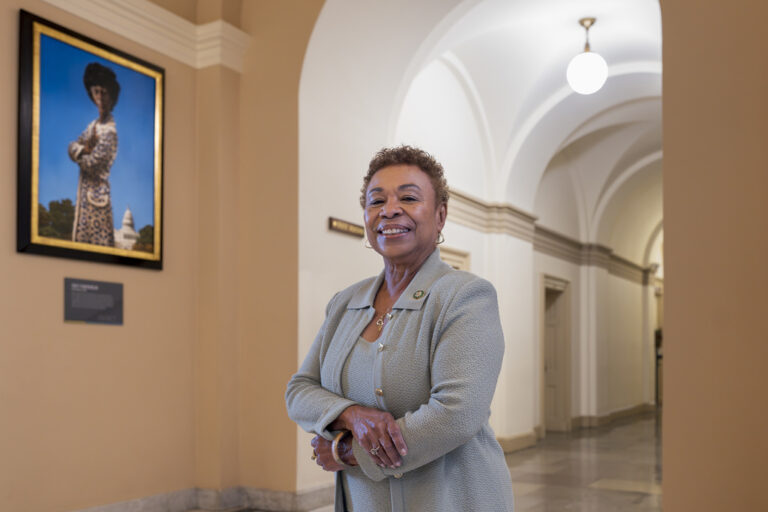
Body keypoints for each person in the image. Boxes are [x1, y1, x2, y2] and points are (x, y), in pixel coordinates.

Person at [285, 146, 514, 511]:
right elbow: (299, 391)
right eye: (376, 201)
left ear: (440, 215)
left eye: (408, 197)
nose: (389, 209)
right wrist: (351, 415)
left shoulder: (467, 296)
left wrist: (348, 451)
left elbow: (457, 415)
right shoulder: (345, 302)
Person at [68, 62, 120, 246]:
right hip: (84, 199)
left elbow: (92, 164)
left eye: (104, 93)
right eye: (96, 92)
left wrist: (81, 153)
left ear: (112, 97)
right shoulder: (92, 126)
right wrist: (83, 150)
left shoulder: (110, 133)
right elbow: (72, 146)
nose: (100, 97)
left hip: (98, 200)